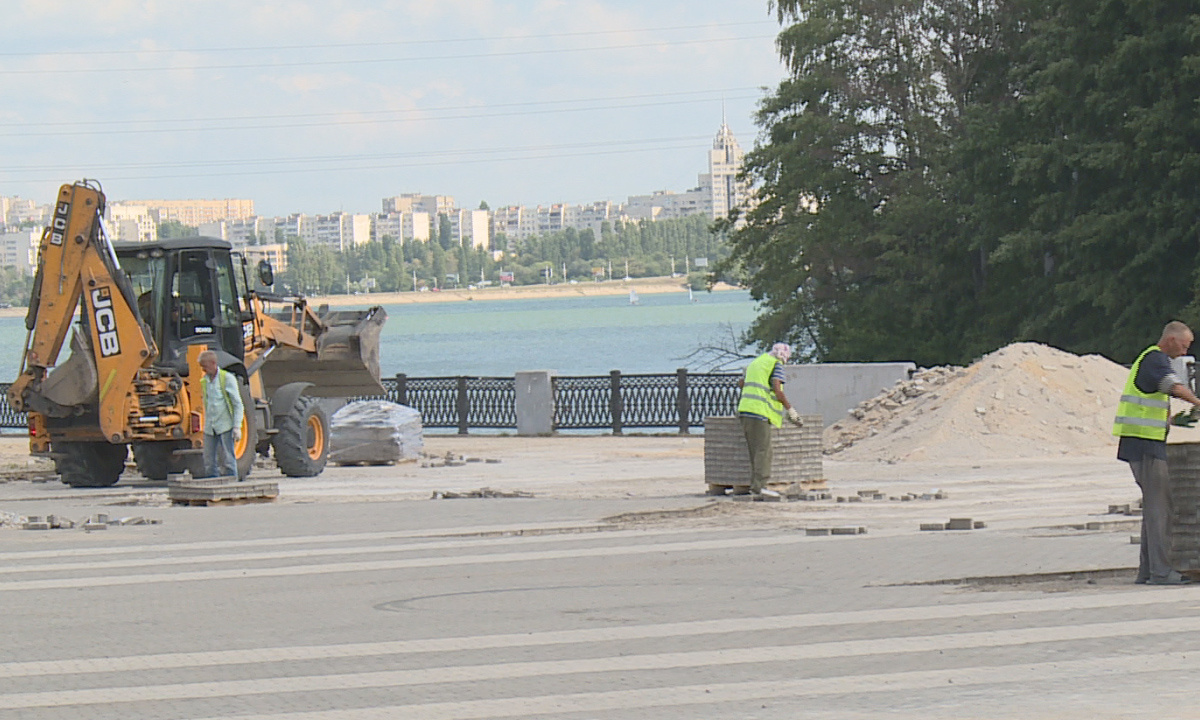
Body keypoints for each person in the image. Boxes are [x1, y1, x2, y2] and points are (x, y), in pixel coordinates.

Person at [1114, 321, 1200, 585]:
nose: (1186, 349)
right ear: (1171, 339)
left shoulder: (1149, 359)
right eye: (1184, 344)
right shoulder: (1155, 359)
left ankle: (1148, 571)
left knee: (1154, 506)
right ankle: (1162, 573)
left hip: (1142, 443)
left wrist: (1172, 421)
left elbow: (1148, 403)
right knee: (1160, 509)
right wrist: (1198, 402)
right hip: (1145, 446)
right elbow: (1172, 386)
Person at [737, 342, 804, 499]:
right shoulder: (776, 364)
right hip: (759, 412)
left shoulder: (757, 362)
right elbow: (777, 389)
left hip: (745, 409)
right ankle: (760, 487)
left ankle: (755, 486)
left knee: (754, 451)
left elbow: (741, 383)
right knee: (764, 451)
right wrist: (790, 410)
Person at [198, 350, 245, 479]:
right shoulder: (204, 381)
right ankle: (212, 482)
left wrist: (237, 427)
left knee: (228, 457)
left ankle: (232, 483)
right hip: (210, 426)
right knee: (208, 459)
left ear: (213, 364)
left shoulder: (227, 379)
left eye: (205, 367)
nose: (204, 370)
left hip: (225, 424)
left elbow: (237, 404)